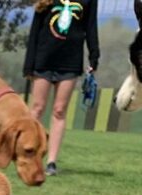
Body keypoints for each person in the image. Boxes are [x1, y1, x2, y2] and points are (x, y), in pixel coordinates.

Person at [23, 0, 99, 176]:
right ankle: (30, 154)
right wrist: (29, 65)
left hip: (70, 61)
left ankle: (51, 162)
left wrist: (94, 56)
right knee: (37, 108)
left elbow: (91, 27)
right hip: (43, 60)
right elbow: (35, 31)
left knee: (59, 110)